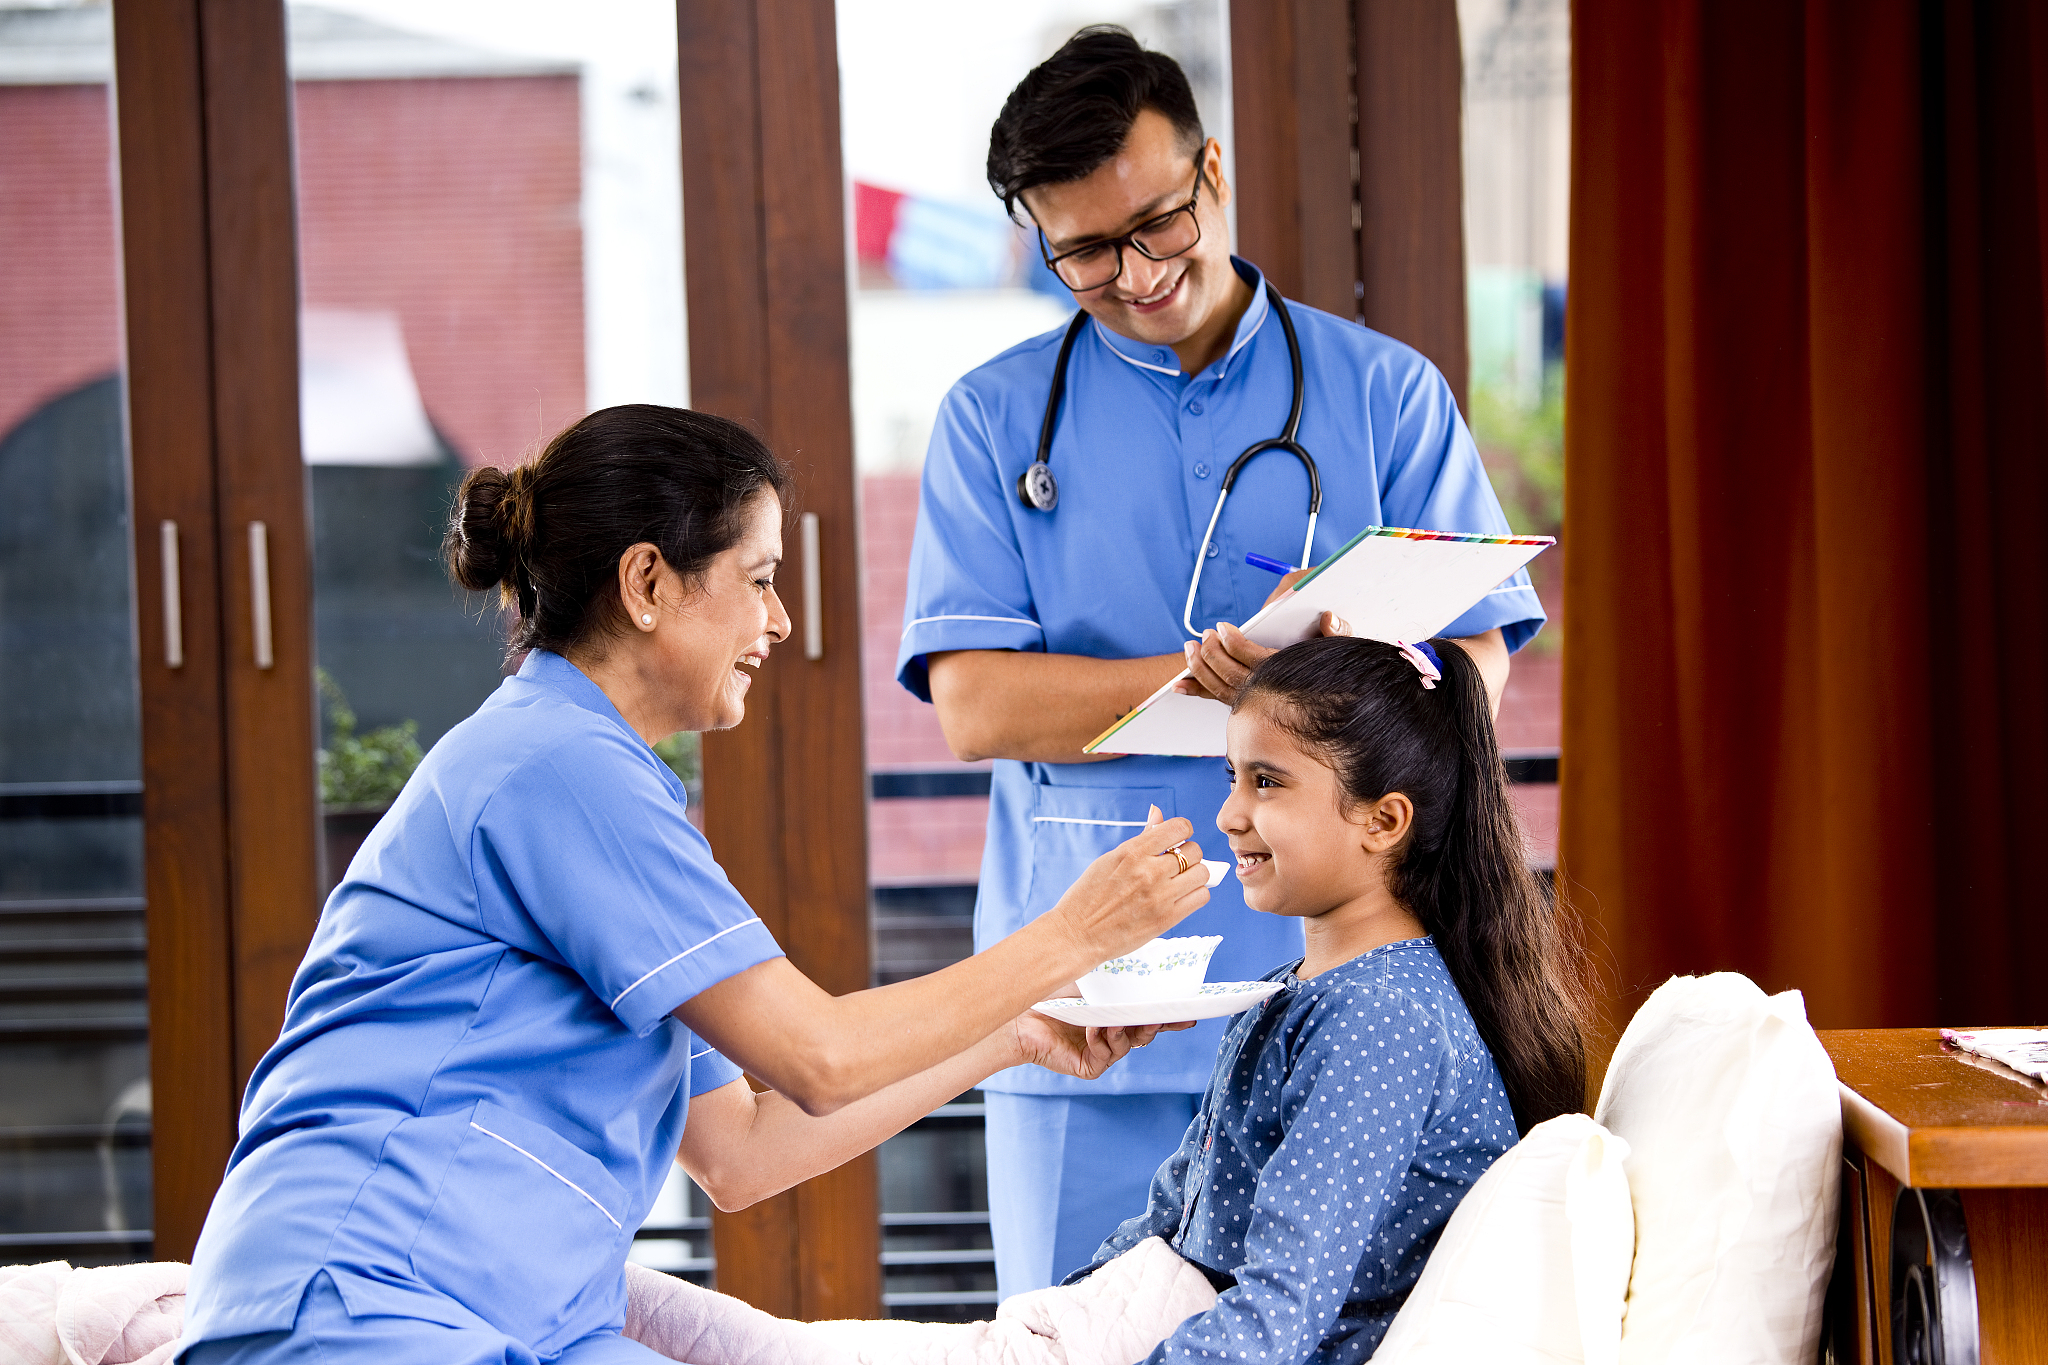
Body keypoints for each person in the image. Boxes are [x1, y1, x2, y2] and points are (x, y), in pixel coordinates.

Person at [176, 405, 1213, 1365]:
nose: (781, 621)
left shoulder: (604, 783)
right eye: (758, 579)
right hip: (355, 1303)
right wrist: (1072, 936)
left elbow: (742, 1152)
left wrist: (1018, 1030)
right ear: (647, 584)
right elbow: (820, 1055)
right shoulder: (556, 768)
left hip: (485, 1311)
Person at [894, 27, 1546, 1294]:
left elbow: (1475, 657)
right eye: (1081, 250)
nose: (1133, 275)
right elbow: (972, 705)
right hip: (1089, 999)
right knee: (1077, 1330)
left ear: (1213, 176)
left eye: (1156, 225)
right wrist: (1220, 682)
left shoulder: (1384, 396)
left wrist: (1345, 673)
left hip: (1355, 981)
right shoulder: (990, 419)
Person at [1071, 634, 1589, 1362]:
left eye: (1266, 782)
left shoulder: (1378, 1022)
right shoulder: (1298, 992)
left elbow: (1281, 1311)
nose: (1228, 814)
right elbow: (1171, 1219)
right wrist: (1061, 1320)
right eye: (1231, 777)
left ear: (1383, 821)